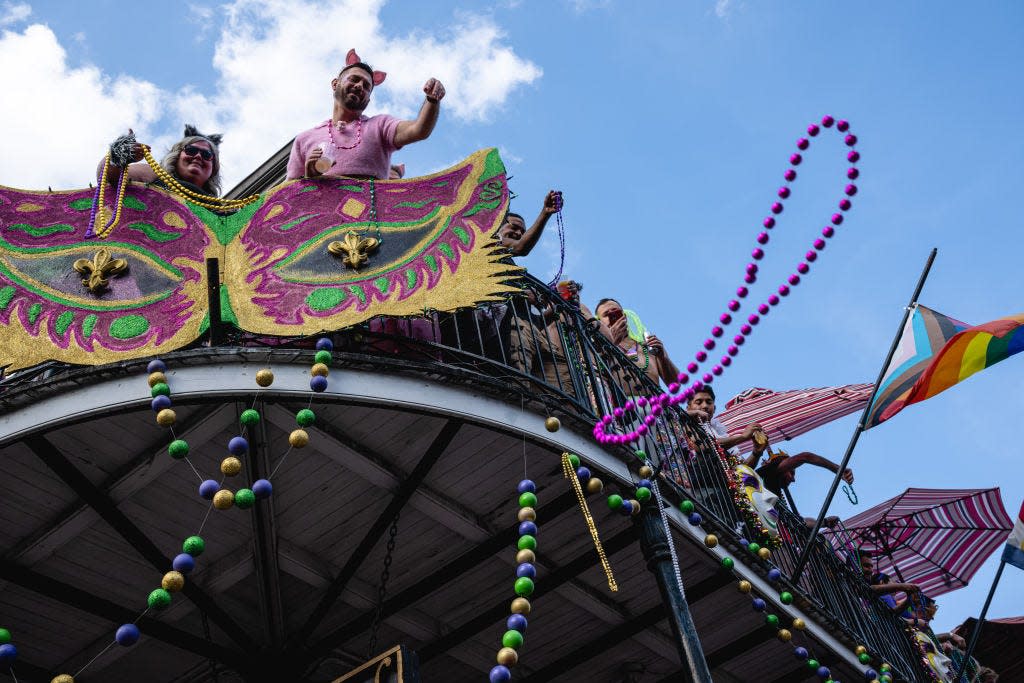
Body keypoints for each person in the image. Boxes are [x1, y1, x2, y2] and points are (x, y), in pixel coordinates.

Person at [287, 48, 445, 180]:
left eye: (366, 86)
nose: (359, 86)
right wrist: (311, 179)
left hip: (372, 216)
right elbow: (287, 197)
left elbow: (418, 130)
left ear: (368, 100)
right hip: (322, 217)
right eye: (354, 79)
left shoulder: (380, 125)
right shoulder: (304, 139)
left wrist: (432, 100)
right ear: (335, 84)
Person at [99, 124, 223, 197]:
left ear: (213, 168)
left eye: (206, 154)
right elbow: (106, 178)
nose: (198, 156)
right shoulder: (154, 174)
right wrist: (117, 156)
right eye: (191, 150)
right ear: (176, 156)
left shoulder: (222, 211)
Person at [594, 298, 681, 389]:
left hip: (655, 402)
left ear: (625, 316)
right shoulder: (599, 347)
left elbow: (676, 384)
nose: (613, 316)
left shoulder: (648, 346)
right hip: (622, 402)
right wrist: (611, 341)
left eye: (616, 312)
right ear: (600, 322)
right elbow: (594, 372)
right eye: (607, 314)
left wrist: (663, 357)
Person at [684, 386, 765, 459]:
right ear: (688, 408)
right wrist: (742, 437)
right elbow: (703, 446)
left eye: (709, 402)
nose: (705, 406)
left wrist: (756, 453)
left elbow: (740, 471)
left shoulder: (719, 431)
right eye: (698, 402)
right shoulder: (683, 425)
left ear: (714, 408)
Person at [498, 190, 562, 257]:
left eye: (523, 233)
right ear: (498, 226)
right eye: (514, 227)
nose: (519, 233)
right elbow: (519, 247)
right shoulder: (490, 240)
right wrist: (545, 213)